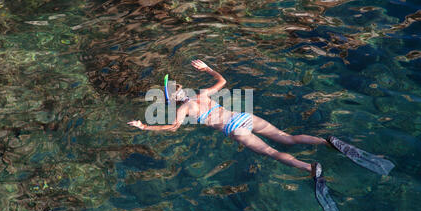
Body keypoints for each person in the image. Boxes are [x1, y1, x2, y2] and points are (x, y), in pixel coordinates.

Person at [128, 59, 328, 178]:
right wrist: (207, 68)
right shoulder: (202, 94)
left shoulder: (185, 109)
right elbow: (222, 80)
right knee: (288, 138)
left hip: (234, 128)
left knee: (272, 152)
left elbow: (173, 128)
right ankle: (326, 143)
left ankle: (309, 167)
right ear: (182, 89)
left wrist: (144, 126)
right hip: (242, 116)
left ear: (172, 101)